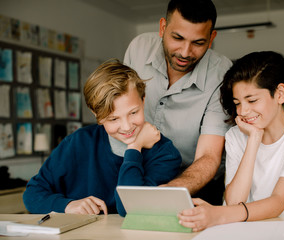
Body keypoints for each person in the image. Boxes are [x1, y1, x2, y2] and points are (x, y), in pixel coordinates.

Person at [178, 51, 284, 232]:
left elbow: (278, 201)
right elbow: (234, 201)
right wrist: (254, 139)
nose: (243, 111)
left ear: (279, 94)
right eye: (237, 103)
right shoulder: (236, 136)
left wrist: (218, 214)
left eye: (252, 100)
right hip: (246, 232)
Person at [23, 59, 182, 217]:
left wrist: (134, 147)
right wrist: (67, 205)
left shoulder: (165, 154)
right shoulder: (78, 142)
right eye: (113, 119)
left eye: (133, 112)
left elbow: (129, 209)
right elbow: (32, 193)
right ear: (97, 115)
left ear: (143, 100)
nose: (127, 127)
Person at [123, 0, 232, 205]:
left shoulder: (222, 74)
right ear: (163, 27)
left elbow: (209, 155)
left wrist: (170, 191)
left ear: (211, 39)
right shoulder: (139, 48)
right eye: (177, 38)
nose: (185, 52)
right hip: (138, 171)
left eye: (198, 43)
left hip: (195, 182)